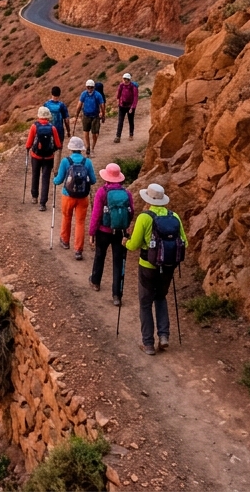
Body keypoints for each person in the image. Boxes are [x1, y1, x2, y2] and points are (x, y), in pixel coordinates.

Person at [125, 183, 188, 355]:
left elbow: (135, 244)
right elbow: (185, 242)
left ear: (148, 199)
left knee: (145, 303)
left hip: (147, 266)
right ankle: (164, 336)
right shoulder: (173, 216)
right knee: (161, 298)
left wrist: (126, 243)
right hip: (168, 267)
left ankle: (148, 344)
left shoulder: (144, 218)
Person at [88, 162, 135, 304]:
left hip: (103, 231)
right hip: (120, 232)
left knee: (100, 255)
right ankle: (116, 295)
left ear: (106, 177)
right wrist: (125, 226)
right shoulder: (126, 193)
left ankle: (95, 281)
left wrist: (92, 232)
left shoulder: (102, 192)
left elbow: (96, 215)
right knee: (118, 261)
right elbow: (131, 212)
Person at [53, 136, 96, 260]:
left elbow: (59, 180)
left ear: (71, 148)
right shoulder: (87, 162)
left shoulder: (66, 161)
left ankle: (65, 241)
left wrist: (54, 180)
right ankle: (78, 250)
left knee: (66, 217)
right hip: (83, 197)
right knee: (80, 222)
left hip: (68, 195)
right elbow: (93, 180)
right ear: (81, 149)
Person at [25, 106, 61, 210]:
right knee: (45, 179)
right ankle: (42, 203)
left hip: (36, 156)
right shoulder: (52, 128)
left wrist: (28, 148)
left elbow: (29, 143)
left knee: (35, 175)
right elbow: (58, 144)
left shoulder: (34, 126)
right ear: (48, 116)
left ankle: (34, 197)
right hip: (49, 157)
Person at [76, 79, 106, 154]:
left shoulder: (97, 95)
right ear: (86, 87)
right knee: (86, 131)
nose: (89, 89)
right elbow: (79, 104)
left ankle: (93, 147)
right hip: (86, 115)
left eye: (91, 87)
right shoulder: (84, 94)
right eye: (88, 87)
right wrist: (77, 113)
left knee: (95, 133)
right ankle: (88, 147)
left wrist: (103, 114)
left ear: (93, 87)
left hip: (95, 116)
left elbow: (102, 105)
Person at [113, 73, 139, 143]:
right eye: (124, 79)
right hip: (122, 106)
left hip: (130, 106)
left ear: (129, 79)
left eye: (127, 79)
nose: (125, 81)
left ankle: (131, 134)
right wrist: (118, 101)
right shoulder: (121, 85)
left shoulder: (133, 87)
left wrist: (132, 107)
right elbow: (118, 94)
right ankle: (118, 136)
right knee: (120, 121)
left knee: (131, 121)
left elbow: (135, 98)